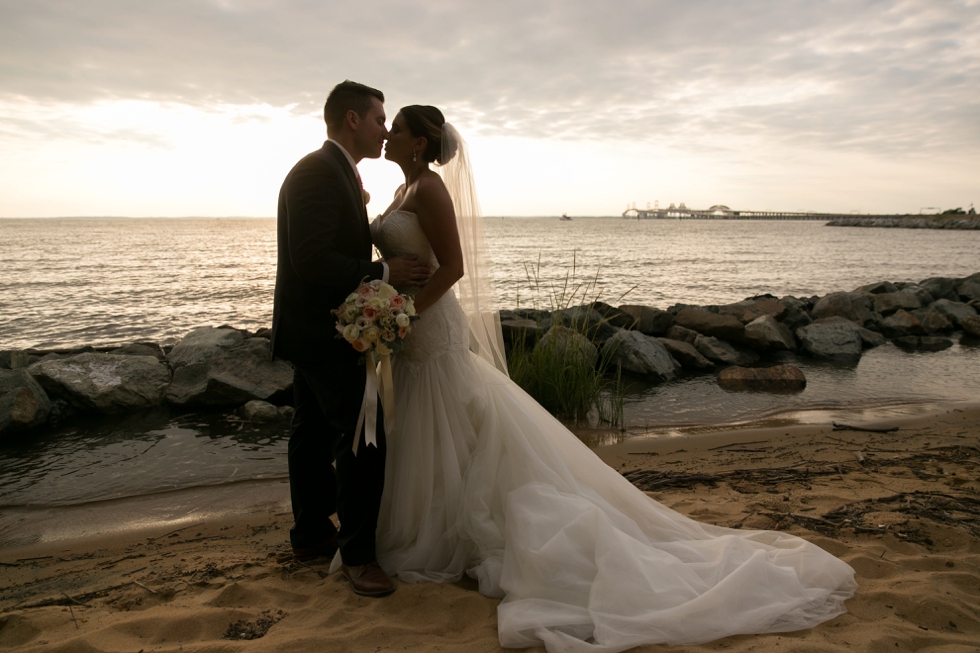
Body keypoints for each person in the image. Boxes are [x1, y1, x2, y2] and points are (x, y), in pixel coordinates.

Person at [364, 104, 858, 651]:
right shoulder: (398, 192)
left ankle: (453, 538)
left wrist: (405, 316)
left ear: (418, 142)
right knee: (434, 432)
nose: (388, 134)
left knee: (452, 425)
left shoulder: (430, 190)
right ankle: (438, 527)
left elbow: (452, 267)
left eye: (398, 128)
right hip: (410, 335)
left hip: (430, 331)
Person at [271, 81, 428, 598]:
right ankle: (359, 556)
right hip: (322, 332)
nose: (386, 129)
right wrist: (384, 272)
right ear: (353, 120)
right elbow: (311, 261)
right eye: (380, 119)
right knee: (365, 436)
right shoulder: (318, 173)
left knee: (311, 433)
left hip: (313, 327)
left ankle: (312, 533)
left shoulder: (337, 172)